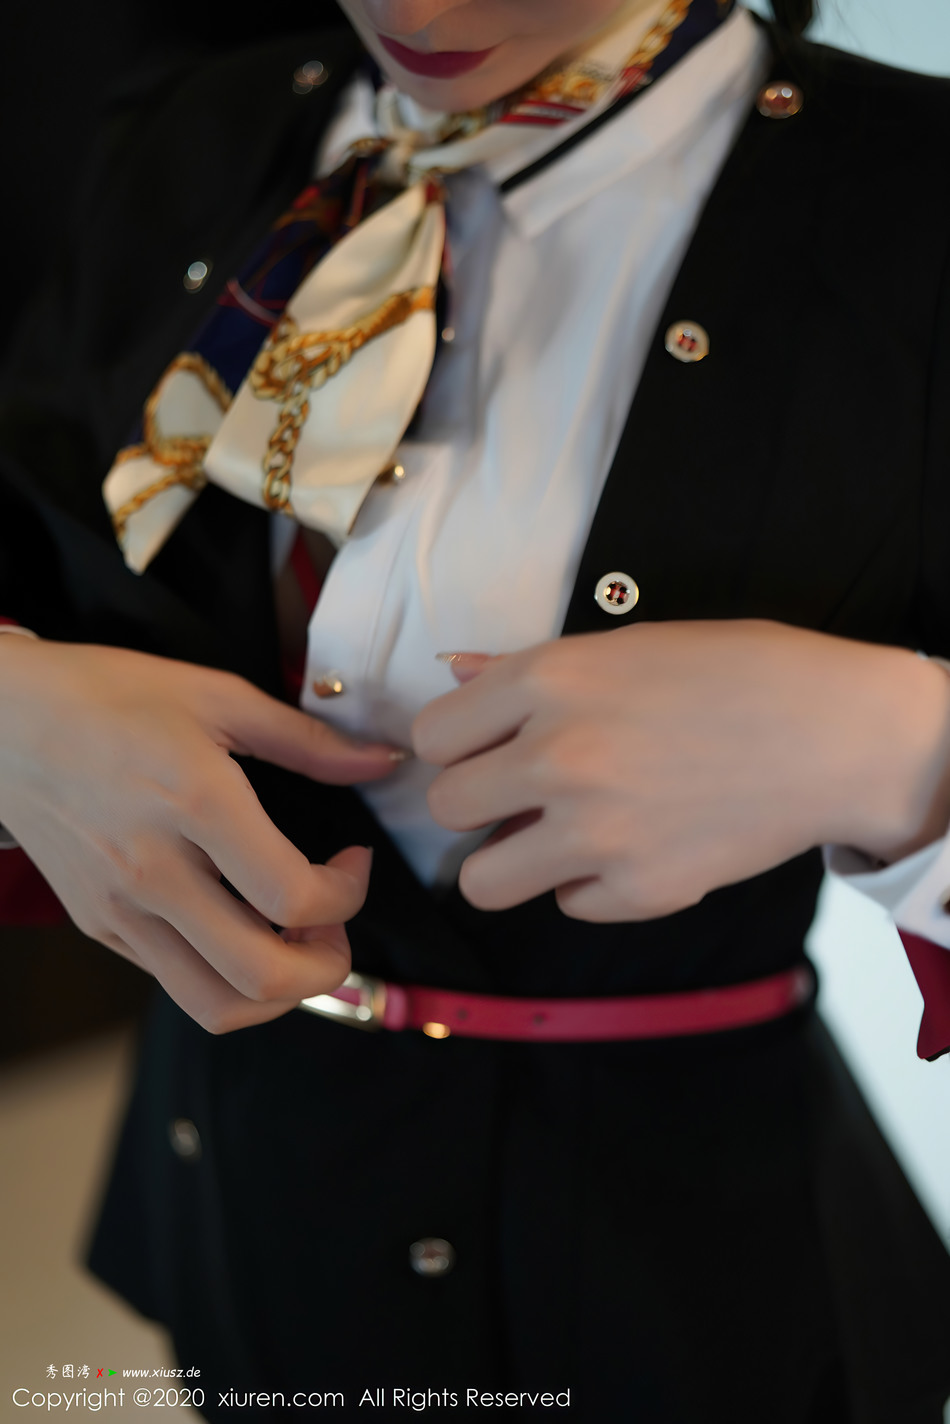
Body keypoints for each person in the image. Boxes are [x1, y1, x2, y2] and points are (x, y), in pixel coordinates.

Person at [1, 0, 950, 1418]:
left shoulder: (918, 204)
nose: (419, 10)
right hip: (241, 1228)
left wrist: (904, 749)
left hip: (689, 1301)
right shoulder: (184, 129)